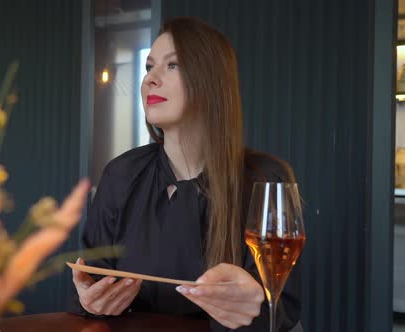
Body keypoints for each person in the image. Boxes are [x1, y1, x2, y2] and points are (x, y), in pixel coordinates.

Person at [70, 16, 301, 331]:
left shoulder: (266, 178)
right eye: (149, 66)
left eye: (172, 65)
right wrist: (90, 302)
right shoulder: (121, 175)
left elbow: (284, 308)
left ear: (211, 82)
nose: (150, 78)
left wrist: (257, 305)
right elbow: (93, 284)